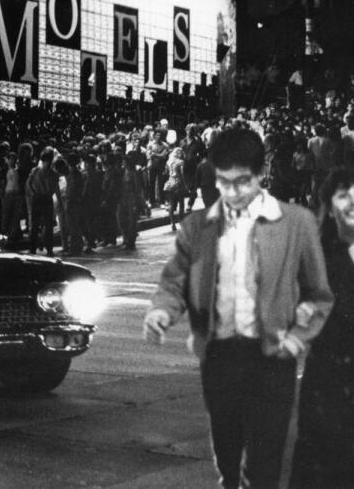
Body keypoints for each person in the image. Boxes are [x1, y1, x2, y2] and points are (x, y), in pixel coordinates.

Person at [143, 127, 333, 489]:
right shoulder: (197, 227)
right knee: (228, 455)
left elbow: (317, 294)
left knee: (265, 462)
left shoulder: (297, 224)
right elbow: (174, 280)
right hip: (219, 355)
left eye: (243, 182)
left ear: (262, 175)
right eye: (224, 182)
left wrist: (297, 337)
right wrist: (162, 312)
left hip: (273, 356)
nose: (233, 193)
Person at [290, 167, 354, 488]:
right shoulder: (316, 257)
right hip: (329, 385)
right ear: (330, 205)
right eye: (343, 194)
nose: (353, 201)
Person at [24, 149, 58, 255]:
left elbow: (28, 184)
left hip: (44, 198)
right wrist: (34, 193)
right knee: (36, 225)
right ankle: (34, 247)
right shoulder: (37, 171)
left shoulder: (48, 173)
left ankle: (47, 248)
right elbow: (28, 184)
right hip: (40, 198)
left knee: (47, 225)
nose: (48, 163)